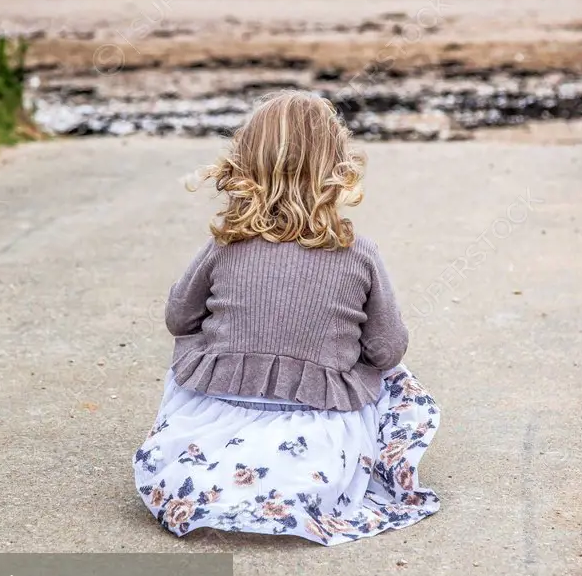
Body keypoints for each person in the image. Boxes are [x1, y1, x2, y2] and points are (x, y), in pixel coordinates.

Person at [133, 90, 440, 546]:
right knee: (396, 377)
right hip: (318, 440)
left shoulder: (225, 245)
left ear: (243, 165)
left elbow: (179, 318)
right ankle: (307, 475)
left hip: (207, 427)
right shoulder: (359, 254)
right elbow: (388, 349)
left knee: (197, 344)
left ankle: (215, 463)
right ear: (337, 170)